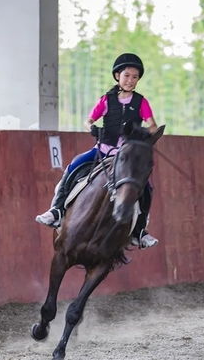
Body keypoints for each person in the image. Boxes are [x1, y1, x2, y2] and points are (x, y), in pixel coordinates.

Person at [35, 53, 159, 249]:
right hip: (103, 149)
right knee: (73, 166)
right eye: (127, 75)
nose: (131, 80)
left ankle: (140, 231)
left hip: (125, 155)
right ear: (118, 76)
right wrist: (93, 129)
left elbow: (152, 126)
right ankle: (57, 211)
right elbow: (88, 120)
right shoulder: (106, 100)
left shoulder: (141, 102)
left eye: (135, 77)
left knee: (147, 188)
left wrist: (142, 132)